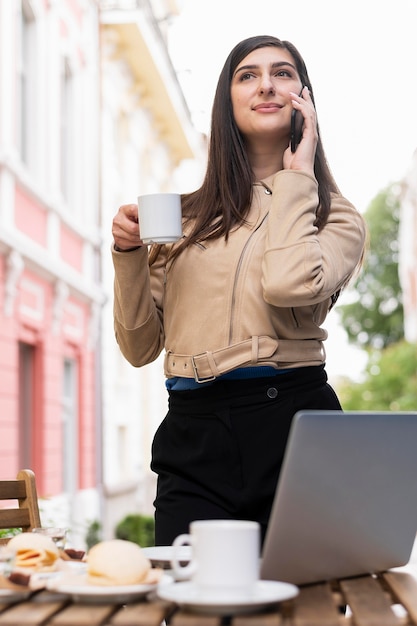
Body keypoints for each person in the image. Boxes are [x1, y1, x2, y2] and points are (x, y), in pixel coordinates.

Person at [111, 35, 367, 546]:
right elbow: (140, 348)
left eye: (283, 73)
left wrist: (297, 178)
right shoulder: (181, 218)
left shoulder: (335, 217)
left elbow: (290, 284)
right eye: (247, 75)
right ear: (226, 101)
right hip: (194, 432)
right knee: (193, 611)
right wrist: (128, 257)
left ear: (305, 98)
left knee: (304, 614)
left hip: (297, 425)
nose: (266, 84)